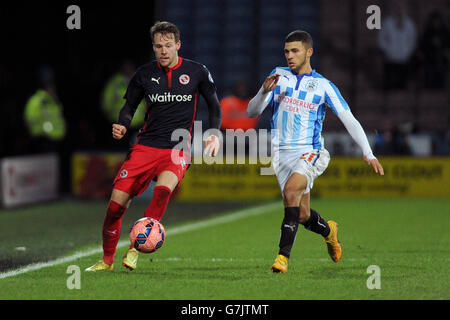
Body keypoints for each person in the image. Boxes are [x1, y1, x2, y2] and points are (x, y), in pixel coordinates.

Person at [86, 21, 222, 272]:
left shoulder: (197, 71)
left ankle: (135, 249)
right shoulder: (143, 74)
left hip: (177, 148)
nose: (163, 51)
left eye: (168, 46)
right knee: (115, 208)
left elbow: (214, 106)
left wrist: (213, 134)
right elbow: (129, 107)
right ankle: (106, 261)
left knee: (162, 192)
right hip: (145, 147)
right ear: (153, 47)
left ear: (178, 45)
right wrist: (123, 124)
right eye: (158, 46)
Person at [247, 30, 384, 273]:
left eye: (295, 50)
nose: (290, 55)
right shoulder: (277, 76)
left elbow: (348, 118)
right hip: (281, 154)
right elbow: (252, 112)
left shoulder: (323, 86)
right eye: (287, 51)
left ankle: (282, 257)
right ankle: (329, 231)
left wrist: (368, 152)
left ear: (309, 52)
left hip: (310, 152)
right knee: (301, 213)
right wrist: (264, 92)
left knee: (291, 192)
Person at [101, 60, 147, 145]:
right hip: (119, 122)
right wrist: (108, 114)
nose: (128, 69)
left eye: (130, 66)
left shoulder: (142, 79)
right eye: (126, 67)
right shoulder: (115, 81)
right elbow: (106, 101)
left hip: (139, 123)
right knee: (119, 149)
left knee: (137, 149)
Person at [377, 2, 417, 90]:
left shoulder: (410, 24)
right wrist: (388, 51)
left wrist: (407, 52)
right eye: (398, 9)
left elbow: (412, 41)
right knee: (390, 84)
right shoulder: (387, 23)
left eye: (401, 9)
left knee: (402, 84)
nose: (399, 11)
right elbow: (381, 39)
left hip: (404, 59)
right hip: (390, 58)